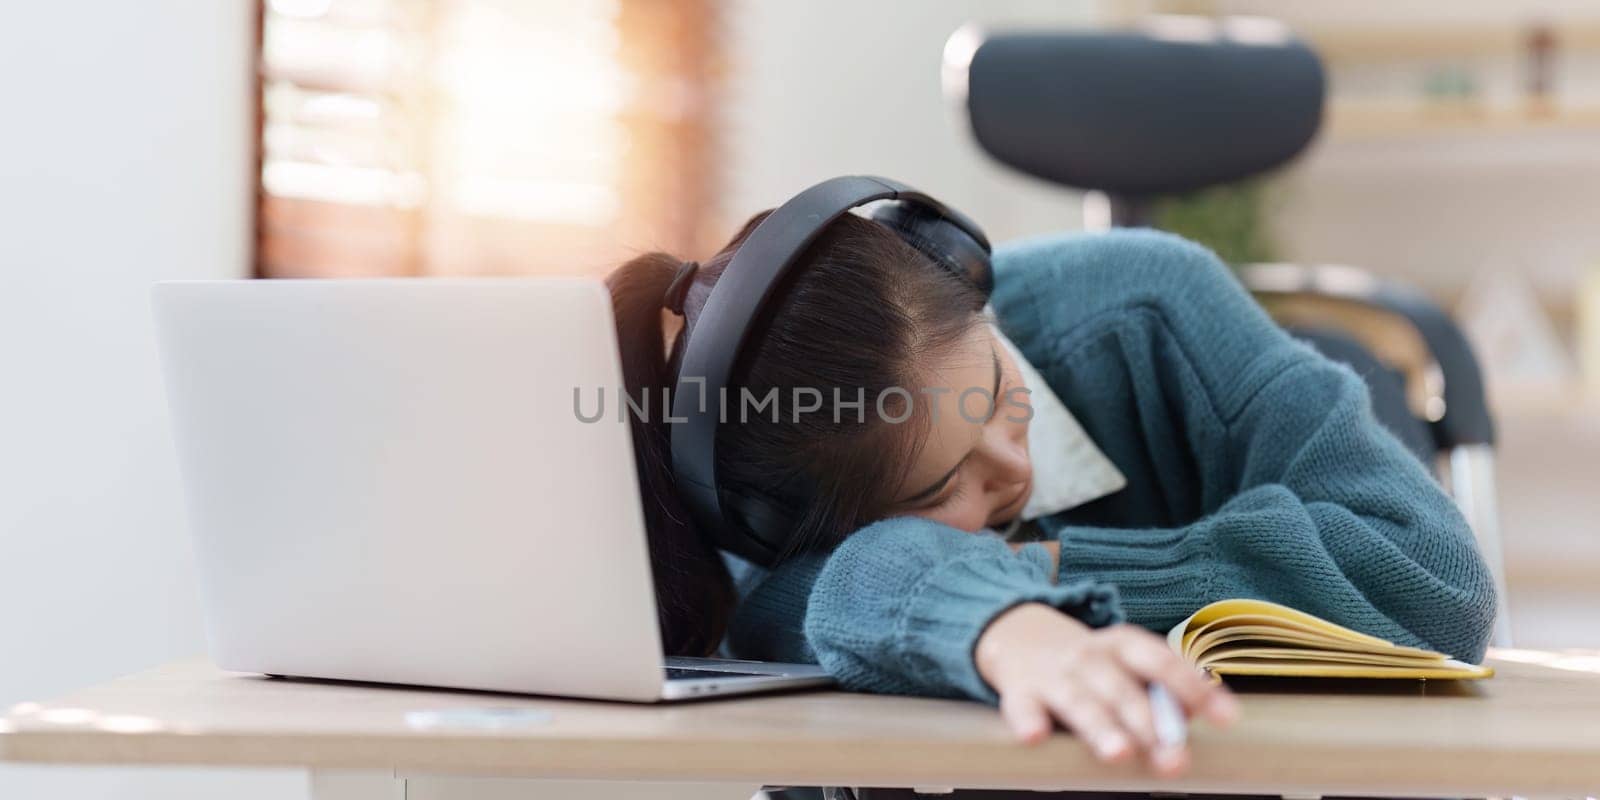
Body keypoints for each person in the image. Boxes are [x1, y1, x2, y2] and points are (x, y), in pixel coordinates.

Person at [605, 208, 1498, 777]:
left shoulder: (1153, 302)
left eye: (996, 389)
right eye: (944, 483)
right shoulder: (779, 484)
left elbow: (1433, 578)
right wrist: (1001, 623)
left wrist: (1039, 575)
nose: (1014, 467)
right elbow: (793, 601)